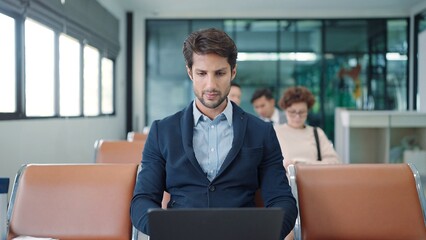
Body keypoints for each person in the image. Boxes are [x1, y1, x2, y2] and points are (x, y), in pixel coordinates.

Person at [130, 28, 297, 240]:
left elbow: (282, 200)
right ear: (190, 72)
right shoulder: (161, 132)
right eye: (201, 73)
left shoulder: (261, 132)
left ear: (233, 72)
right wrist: (166, 231)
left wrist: (261, 233)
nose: (211, 85)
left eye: (220, 73)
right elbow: (142, 200)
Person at [274, 86, 340, 169]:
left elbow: (334, 162)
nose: (297, 117)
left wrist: (305, 164)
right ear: (285, 111)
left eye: (302, 112)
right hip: (285, 181)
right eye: (292, 112)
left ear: (308, 111)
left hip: (314, 180)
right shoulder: (275, 132)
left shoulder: (316, 133)